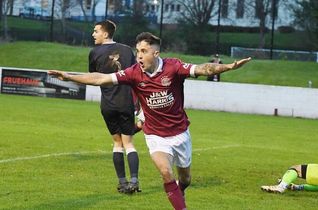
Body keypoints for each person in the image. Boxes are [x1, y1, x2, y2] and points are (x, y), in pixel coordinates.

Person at [49, 32, 251, 210]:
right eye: (138, 51)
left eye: (144, 51)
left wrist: (228, 67)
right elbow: (100, 78)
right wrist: (68, 76)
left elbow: (203, 68)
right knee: (165, 171)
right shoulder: (134, 73)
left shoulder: (174, 67)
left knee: (185, 179)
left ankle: (180, 192)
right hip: (155, 135)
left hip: (180, 133)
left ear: (155, 53)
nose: (139, 55)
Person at [89, 20, 140, 194]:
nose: (93, 34)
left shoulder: (94, 53)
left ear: (105, 33)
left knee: (117, 143)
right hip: (125, 103)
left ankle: (122, 182)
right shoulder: (127, 50)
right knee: (129, 143)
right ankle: (134, 180)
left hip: (108, 105)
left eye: (96, 31)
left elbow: (94, 77)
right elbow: (136, 75)